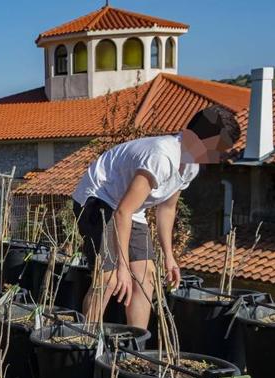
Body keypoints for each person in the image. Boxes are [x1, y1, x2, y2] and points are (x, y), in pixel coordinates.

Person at [73, 105, 241, 329]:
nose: (219, 157)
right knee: (110, 279)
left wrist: (170, 257)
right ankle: (89, 340)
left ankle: (136, 348)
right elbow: (122, 213)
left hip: (132, 209)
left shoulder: (191, 166)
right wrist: (123, 267)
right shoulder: (162, 156)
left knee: (145, 278)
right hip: (98, 197)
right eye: (218, 150)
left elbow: (167, 209)